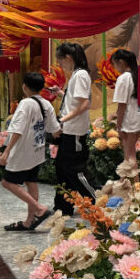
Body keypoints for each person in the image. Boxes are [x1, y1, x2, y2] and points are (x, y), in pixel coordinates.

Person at [0, 72, 60, 231]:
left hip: (22, 152)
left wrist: (6, 152)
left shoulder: (26, 103)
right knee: (31, 182)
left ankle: (40, 209)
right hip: (37, 150)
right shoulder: (46, 104)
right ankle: (29, 222)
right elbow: (54, 130)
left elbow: (17, 130)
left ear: (24, 86)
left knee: (7, 182)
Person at [53, 42, 97, 214]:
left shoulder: (80, 75)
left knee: (76, 170)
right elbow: (75, 102)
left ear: (69, 58)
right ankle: (63, 206)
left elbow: (84, 105)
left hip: (74, 131)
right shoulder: (78, 75)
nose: (60, 65)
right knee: (62, 168)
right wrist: (61, 94)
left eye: (61, 61)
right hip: (69, 130)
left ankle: (95, 200)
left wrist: (62, 120)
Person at [110, 49, 140, 167]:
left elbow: (122, 105)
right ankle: (128, 176)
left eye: (114, 64)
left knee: (129, 154)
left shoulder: (124, 78)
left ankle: (132, 178)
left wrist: (119, 124)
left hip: (130, 119)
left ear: (121, 62)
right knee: (131, 152)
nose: (115, 68)